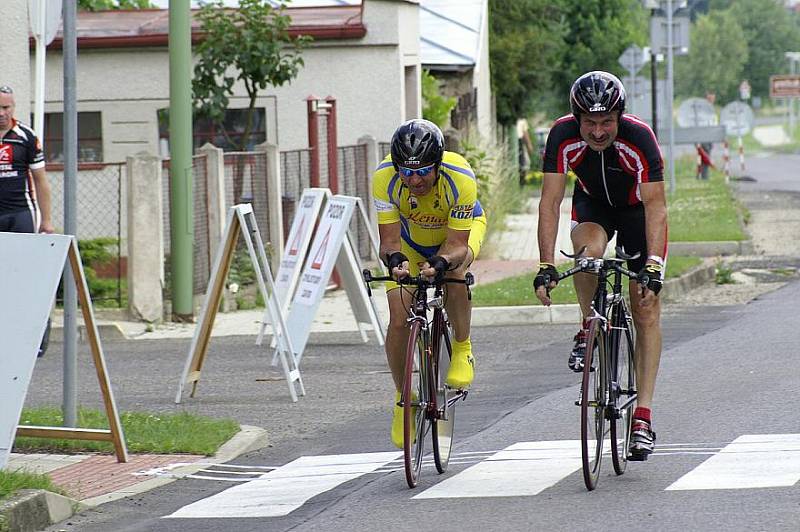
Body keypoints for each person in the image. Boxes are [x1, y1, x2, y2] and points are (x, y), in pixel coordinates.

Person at [532, 71, 667, 461]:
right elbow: (549, 203)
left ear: (619, 116)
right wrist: (545, 265)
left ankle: (642, 416)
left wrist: (654, 265)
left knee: (645, 306)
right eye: (589, 123)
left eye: (606, 121)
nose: (597, 131)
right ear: (576, 118)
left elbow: (656, 206)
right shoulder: (561, 136)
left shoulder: (639, 138)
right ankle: (588, 322)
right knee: (587, 255)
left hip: (637, 213)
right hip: (593, 206)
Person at [372, 118, 487, 448]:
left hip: (456, 237)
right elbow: (389, 242)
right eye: (406, 172)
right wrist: (395, 262)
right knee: (398, 318)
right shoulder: (384, 178)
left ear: (437, 164)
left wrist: (439, 262)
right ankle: (404, 399)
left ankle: (463, 346)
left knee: (454, 272)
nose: (415, 179)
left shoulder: (460, 177)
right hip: (411, 240)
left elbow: (456, 246)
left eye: (423, 170)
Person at [0, 85, 55, 357]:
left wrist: (47, 221)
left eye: (6, 107)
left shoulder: (26, 136)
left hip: (21, 213)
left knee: (26, 277)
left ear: (14, 107)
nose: (2, 113)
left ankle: (37, 338)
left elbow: (41, 182)